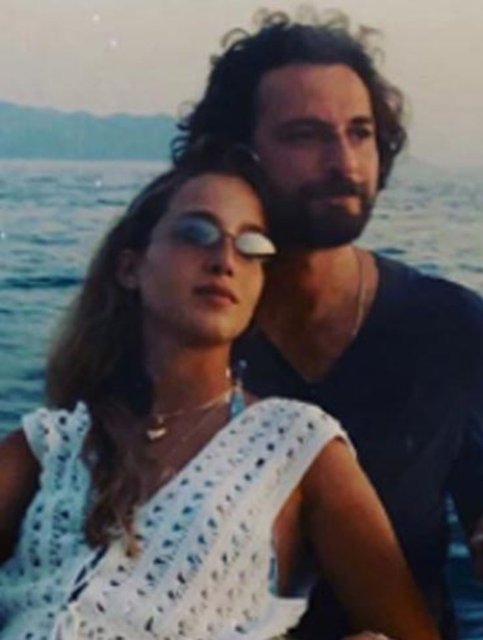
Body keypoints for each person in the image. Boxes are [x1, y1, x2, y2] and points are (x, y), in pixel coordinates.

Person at [0, 147, 439, 640]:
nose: (225, 259)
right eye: (196, 233)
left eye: (252, 246)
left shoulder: (295, 443)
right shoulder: (52, 442)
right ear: (130, 268)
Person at [173, 9, 483, 640]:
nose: (343, 161)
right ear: (237, 155)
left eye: (360, 133)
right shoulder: (183, 329)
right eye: (305, 135)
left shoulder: (450, 328)